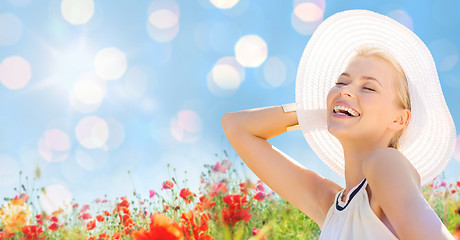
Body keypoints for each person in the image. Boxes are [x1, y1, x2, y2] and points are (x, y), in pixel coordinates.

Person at [222, 9, 456, 239]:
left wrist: (343, 107)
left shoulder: (385, 163)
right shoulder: (333, 207)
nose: (345, 90)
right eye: (341, 83)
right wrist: (324, 110)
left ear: (399, 119)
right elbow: (237, 126)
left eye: (368, 87)